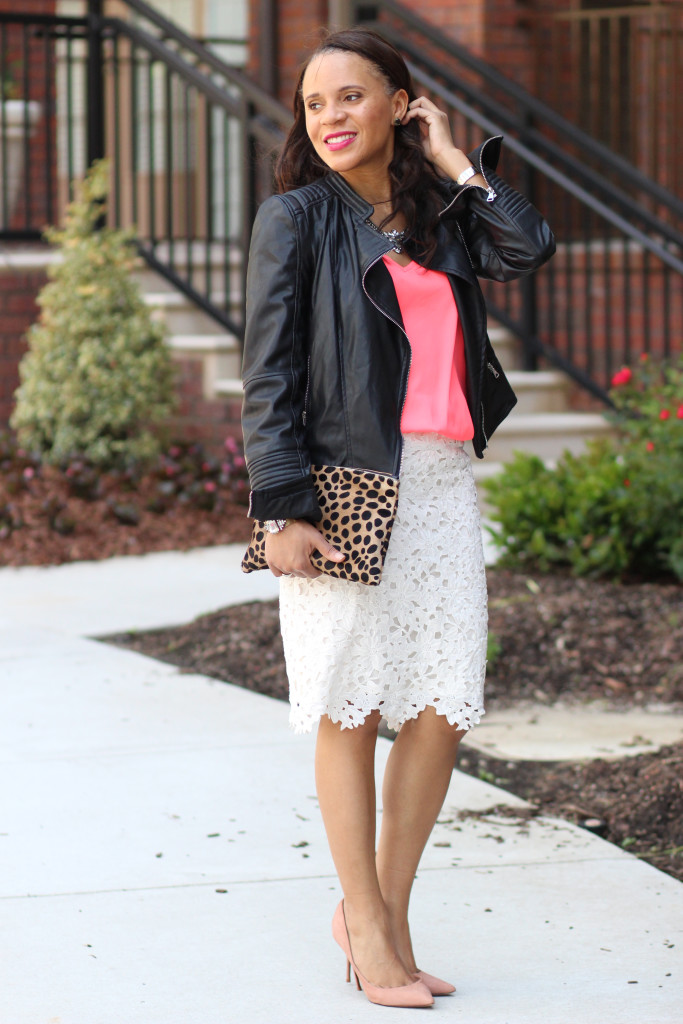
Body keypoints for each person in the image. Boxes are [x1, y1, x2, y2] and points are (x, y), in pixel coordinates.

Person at [241, 27, 554, 1009]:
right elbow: (268, 376)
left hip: (439, 483)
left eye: (350, 96)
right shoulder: (294, 219)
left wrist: (459, 160)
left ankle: (386, 908)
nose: (328, 116)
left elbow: (526, 245)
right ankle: (367, 922)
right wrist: (280, 506)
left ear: (398, 104)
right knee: (350, 703)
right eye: (313, 102)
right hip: (338, 485)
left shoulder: (443, 218)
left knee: (436, 705)